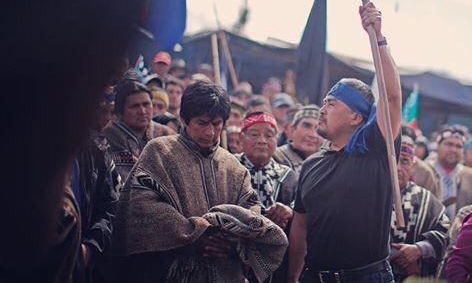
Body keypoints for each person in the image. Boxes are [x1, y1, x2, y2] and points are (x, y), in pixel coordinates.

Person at [111, 81, 287, 283]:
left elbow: (250, 212)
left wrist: (231, 243)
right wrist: (193, 236)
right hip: (168, 272)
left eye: (217, 124)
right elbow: (142, 206)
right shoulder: (160, 152)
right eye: (202, 123)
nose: (210, 132)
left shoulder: (234, 167)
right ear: (184, 119)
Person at [288, 2, 402, 283]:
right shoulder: (311, 164)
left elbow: (391, 97)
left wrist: (377, 37)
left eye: (331, 103)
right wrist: (292, 277)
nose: (322, 109)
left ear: (355, 116)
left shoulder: (378, 151)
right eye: (323, 102)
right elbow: (300, 227)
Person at [236, 111, 298, 282]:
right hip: (233, 260)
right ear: (241, 138)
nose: (262, 140)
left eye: (269, 135)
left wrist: (289, 212)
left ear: (276, 140)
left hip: (277, 266)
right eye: (254, 134)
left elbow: (301, 211)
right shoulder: (228, 168)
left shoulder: (288, 176)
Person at [390, 143, 450, 281]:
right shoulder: (369, 194)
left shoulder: (427, 200)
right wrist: (395, 254)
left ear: (413, 168)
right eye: (392, 160)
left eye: (404, 161)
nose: (397, 167)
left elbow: (445, 234)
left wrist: (420, 249)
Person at [103, 73, 175, 182]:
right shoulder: (110, 135)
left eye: (146, 104)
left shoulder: (166, 133)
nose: (142, 111)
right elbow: (127, 177)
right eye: (134, 106)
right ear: (120, 111)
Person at [427, 125, 472, 219]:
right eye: (449, 144)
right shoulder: (423, 171)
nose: (453, 149)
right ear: (438, 145)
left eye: (458, 146)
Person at [274, 105, 323, 173]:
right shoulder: (276, 157)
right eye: (306, 126)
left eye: (318, 129)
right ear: (292, 130)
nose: (313, 135)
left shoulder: (326, 163)